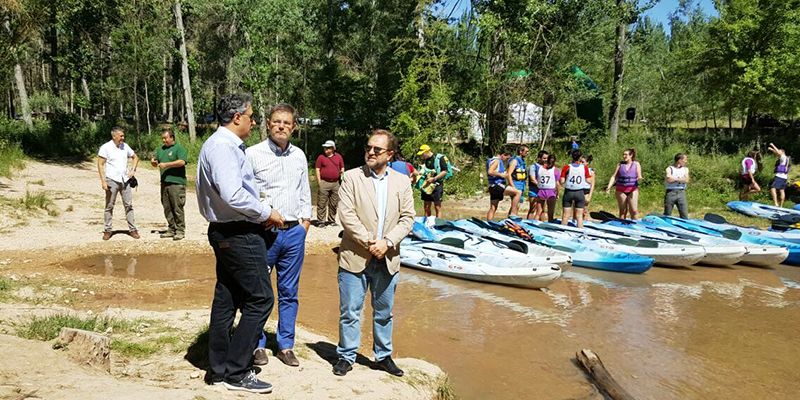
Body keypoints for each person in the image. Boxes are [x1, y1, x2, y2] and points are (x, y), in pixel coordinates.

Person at [196, 93, 282, 393]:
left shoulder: (222, 145)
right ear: (237, 118)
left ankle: (219, 368)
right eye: (251, 116)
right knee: (261, 299)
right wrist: (265, 212)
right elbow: (233, 194)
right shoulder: (222, 147)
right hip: (238, 232)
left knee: (228, 298)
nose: (254, 121)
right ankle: (237, 371)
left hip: (228, 230)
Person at [333, 129, 414, 377]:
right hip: (355, 255)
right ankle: (346, 356)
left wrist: (387, 242)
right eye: (368, 147)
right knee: (350, 311)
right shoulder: (351, 178)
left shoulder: (402, 181)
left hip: (388, 257)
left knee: (384, 312)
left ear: (389, 154)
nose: (370, 152)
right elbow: (346, 215)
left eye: (376, 149)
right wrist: (371, 242)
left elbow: (408, 218)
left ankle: (383, 356)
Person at [246, 103, 312, 368]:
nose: (281, 126)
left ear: (293, 127)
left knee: (289, 292)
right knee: (257, 292)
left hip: (294, 233)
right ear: (268, 125)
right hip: (264, 233)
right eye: (276, 122)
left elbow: (304, 190)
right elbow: (244, 193)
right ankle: (257, 344)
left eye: (286, 122)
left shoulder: (299, 156)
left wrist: (305, 223)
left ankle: (285, 345)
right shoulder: (252, 154)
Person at [97, 127, 140, 240]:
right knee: (109, 205)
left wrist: (133, 170)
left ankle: (133, 229)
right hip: (112, 180)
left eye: (123, 136)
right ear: (114, 136)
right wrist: (103, 181)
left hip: (125, 180)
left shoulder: (125, 146)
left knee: (129, 205)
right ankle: (107, 230)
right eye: (121, 136)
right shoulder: (105, 147)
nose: (123, 138)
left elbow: (135, 157)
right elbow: (100, 164)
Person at [151, 129, 188, 240]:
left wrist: (167, 164)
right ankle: (171, 228)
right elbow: (155, 161)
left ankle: (180, 230)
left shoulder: (179, 148)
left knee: (177, 207)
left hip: (177, 183)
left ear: (172, 138)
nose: (164, 140)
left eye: (165, 138)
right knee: (167, 207)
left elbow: (182, 162)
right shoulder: (160, 149)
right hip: (164, 183)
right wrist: (153, 162)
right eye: (162, 138)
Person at [314, 139, 345, 226]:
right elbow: (317, 169)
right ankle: (321, 221)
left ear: (333, 148)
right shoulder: (321, 157)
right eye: (325, 148)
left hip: (336, 183)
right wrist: (319, 182)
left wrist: (342, 176)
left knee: (334, 203)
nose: (326, 150)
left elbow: (342, 167)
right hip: (324, 182)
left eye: (328, 148)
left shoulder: (338, 157)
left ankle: (331, 220)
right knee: (321, 202)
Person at [606, 148, 643, 219]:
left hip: (633, 189)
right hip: (621, 190)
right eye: (623, 154)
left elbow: (639, 175)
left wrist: (639, 178)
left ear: (631, 155)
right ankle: (622, 225)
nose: (624, 156)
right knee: (623, 210)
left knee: (634, 211)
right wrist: (609, 187)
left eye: (626, 154)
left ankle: (635, 225)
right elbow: (614, 176)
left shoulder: (636, 164)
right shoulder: (620, 164)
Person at [486, 147, 521, 220]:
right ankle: (513, 214)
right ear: (503, 155)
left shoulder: (490, 160)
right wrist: (502, 175)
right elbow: (490, 171)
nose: (506, 160)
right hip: (497, 185)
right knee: (517, 192)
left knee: (493, 207)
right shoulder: (497, 161)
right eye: (506, 158)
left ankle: (489, 222)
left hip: (492, 186)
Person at [560, 150, 592, 228]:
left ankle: (561, 233)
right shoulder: (584, 167)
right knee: (579, 216)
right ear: (580, 157)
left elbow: (562, 181)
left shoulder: (566, 167)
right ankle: (580, 232)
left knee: (565, 216)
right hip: (579, 192)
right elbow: (589, 181)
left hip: (569, 192)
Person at [416, 144, 448, 220]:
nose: (421, 156)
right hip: (427, 185)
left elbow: (444, 171)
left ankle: (438, 225)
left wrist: (434, 179)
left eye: (422, 154)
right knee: (426, 206)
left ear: (427, 151)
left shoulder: (439, 158)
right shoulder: (426, 160)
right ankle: (426, 224)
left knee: (437, 207)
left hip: (437, 185)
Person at [535, 154, 561, 222]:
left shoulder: (540, 168)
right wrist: (558, 193)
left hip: (541, 190)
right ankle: (550, 224)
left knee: (538, 212)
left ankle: (534, 224)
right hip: (551, 191)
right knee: (550, 212)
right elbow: (557, 183)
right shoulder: (556, 170)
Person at [664, 153, 690, 218]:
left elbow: (686, 180)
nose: (686, 161)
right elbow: (669, 180)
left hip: (681, 192)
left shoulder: (685, 169)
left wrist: (675, 179)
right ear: (679, 160)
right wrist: (681, 179)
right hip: (671, 192)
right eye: (685, 160)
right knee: (667, 212)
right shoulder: (669, 168)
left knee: (684, 213)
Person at [526, 150, 548, 220]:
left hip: (542, 191)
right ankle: (529, 224)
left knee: (542, 209)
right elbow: (532, 179)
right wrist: (540, 185)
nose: (546, 160)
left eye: (547, 158)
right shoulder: (533, 167)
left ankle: (542, 225)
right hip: (534, 190)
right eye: (544, 158)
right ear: (539, 158)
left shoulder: (546, 167)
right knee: (532, 209)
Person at [578, 155, 595, 220]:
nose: (581, 163)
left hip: (586, 191)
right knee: (577, 209)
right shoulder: (577, 169)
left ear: (587, 163)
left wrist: (589, 196)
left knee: (584, 210)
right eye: (580, 162)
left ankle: (584, 222)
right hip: (578, 190)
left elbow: (592, 184)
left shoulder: (591, 171)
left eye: (582, 162)